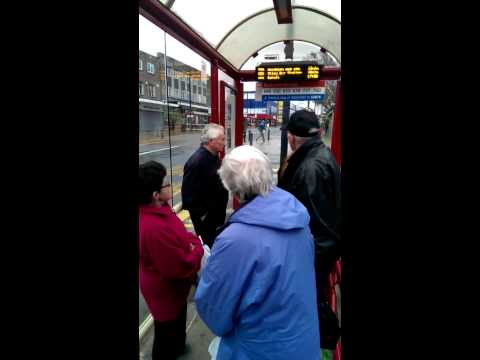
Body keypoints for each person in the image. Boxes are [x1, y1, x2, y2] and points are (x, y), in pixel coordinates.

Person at [195, 145, 321, 360]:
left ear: (230, 185)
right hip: (303, 341)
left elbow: (216, 314)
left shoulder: (234, 239)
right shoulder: (297, 215)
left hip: (259, 349)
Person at [277, 109, 341, 349]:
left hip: (312, 258)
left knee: (307, 307)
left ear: (292, 138)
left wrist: (304, 264)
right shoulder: (321, 154)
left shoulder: (308, 169)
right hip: (320, 253)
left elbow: (313, 222)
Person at [139, 161, 204, 360]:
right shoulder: (153, 228)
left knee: (177, 322)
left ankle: (178, 346)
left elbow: (182, 234)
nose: (170, 185)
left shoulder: (162, 209)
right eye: (165, 183)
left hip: (174, 289)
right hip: (165, 291)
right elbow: (177, 267)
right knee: (165, 332)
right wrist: (198, 250)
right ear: (155, 195)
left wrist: (192, 241)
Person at [181, 123, 229, 248]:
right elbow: (188, 195)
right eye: (222, 139)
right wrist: (203, 215)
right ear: (211, 141)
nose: (224, 142)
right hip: (206, 219)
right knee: (208, 247)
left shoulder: (213, 156)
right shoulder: (197, 162)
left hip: (215, 215)